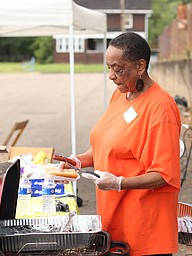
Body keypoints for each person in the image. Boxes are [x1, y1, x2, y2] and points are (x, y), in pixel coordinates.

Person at [61, 32, 181, 255]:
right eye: (108, 67)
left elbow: (164, 175)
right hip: (115, 219)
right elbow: (107, 145)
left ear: (140, 66)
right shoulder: (121, 95)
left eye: (118, 68)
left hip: (145, 230)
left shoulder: (160, 108)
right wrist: (78, 161)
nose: (111, 76)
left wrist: (119, 183)